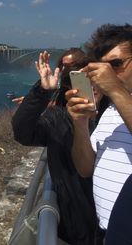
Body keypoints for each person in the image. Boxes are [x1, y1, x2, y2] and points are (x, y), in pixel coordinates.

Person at [11, 49, 100, 244]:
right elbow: (22, 132)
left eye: (88, 76)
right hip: (79, 226)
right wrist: (42, 91)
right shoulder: (58, 120)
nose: (87, 87)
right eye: (69, 76)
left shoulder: (117, 118)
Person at [67, 24, 132, 237]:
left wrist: (114, 89)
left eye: (116, 63)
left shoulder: (118, 99)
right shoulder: (112, 110)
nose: (107, 74)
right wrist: (80, 124)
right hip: (107, 231)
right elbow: (85, 169)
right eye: (101, 67)